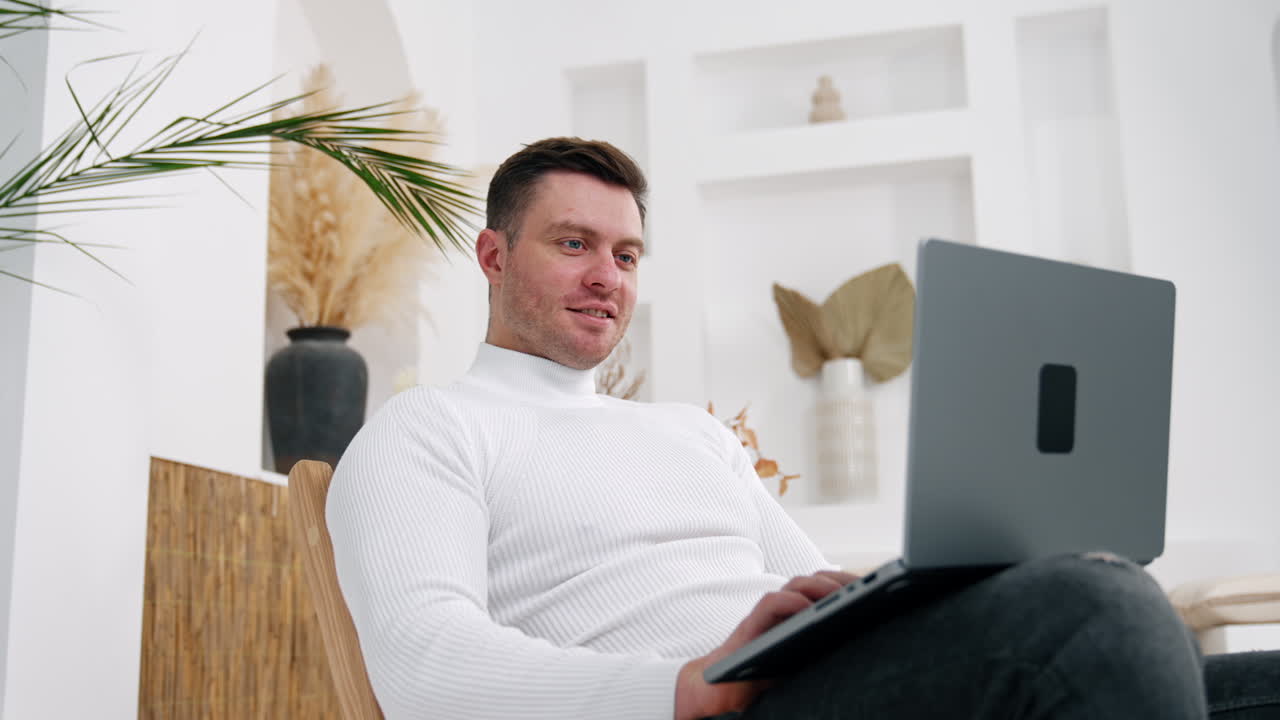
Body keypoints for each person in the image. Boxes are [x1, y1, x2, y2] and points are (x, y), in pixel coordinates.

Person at [327, 137, 1279, 720]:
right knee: (1095, 618)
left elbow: (811, 591)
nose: (607, 276)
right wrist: (679, 688)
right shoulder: (430, 431)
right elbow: (422, 668)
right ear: (493, 257)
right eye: (572, 243)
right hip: (697, 712)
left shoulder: (690, 435)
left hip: (820, 689)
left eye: (625, 253)